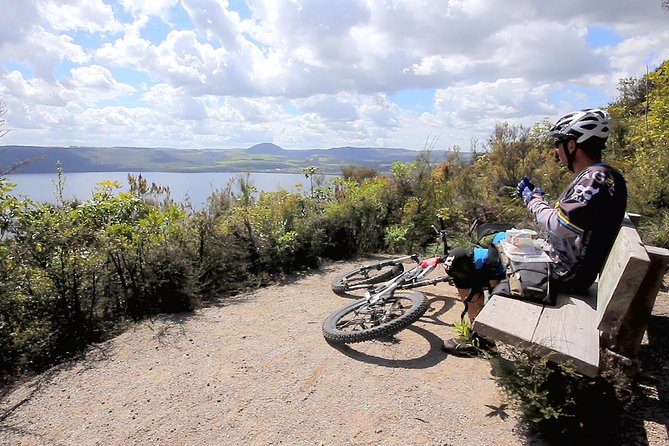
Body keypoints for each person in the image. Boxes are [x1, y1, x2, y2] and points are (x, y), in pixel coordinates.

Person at [441, 108, 628, 356]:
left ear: (572, 145)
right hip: (566, 265)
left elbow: (562, 227)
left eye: (559, 143)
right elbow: (570, 223)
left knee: (461, 259)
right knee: (482, 250)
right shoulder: (604, 176)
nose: (556, 150)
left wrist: (533, 200)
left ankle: (479, 338)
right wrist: (538, 200)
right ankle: (480, 331)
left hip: (562, 272)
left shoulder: (593, 179)